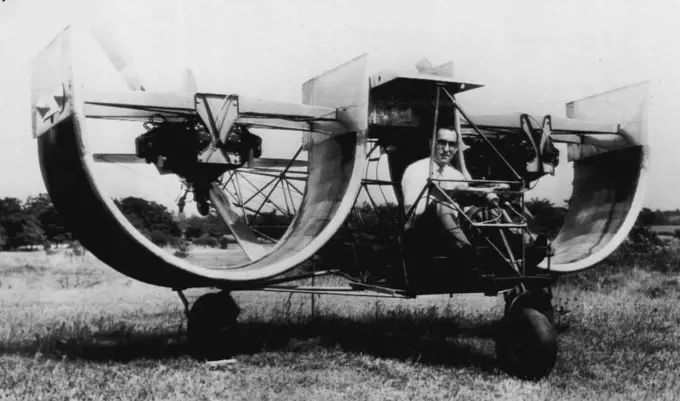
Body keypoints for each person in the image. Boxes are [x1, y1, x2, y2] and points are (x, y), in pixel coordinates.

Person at [401, 127, 507, 259]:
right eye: (441, 143)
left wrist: (482, 198)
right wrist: (449, 197)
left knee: (493, 209)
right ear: (431, 144)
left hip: (452, 229)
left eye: (451, 144)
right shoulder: (416, 169)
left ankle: (515, 250)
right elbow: (413, 212)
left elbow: (466, 209)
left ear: (456, 149)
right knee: (443, 204)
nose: (446, 149)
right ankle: (466, 248)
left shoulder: (456, 175)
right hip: (421, 232)